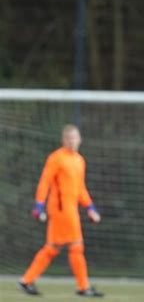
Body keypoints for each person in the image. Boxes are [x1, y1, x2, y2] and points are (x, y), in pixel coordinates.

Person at [18, 124, 104, 297]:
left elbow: (80, 188)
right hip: (60, 209)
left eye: (75, 137)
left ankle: (26, 281)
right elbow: (45, 182)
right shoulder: (56, 158)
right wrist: (39, 205)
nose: (72, 141)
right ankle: (83, 287)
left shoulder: (79, 160)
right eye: (69, 138)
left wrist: (90, 207)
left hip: (70, 209)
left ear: (80, 139)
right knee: (76, 246)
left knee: (52, 248)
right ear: (63, 140)